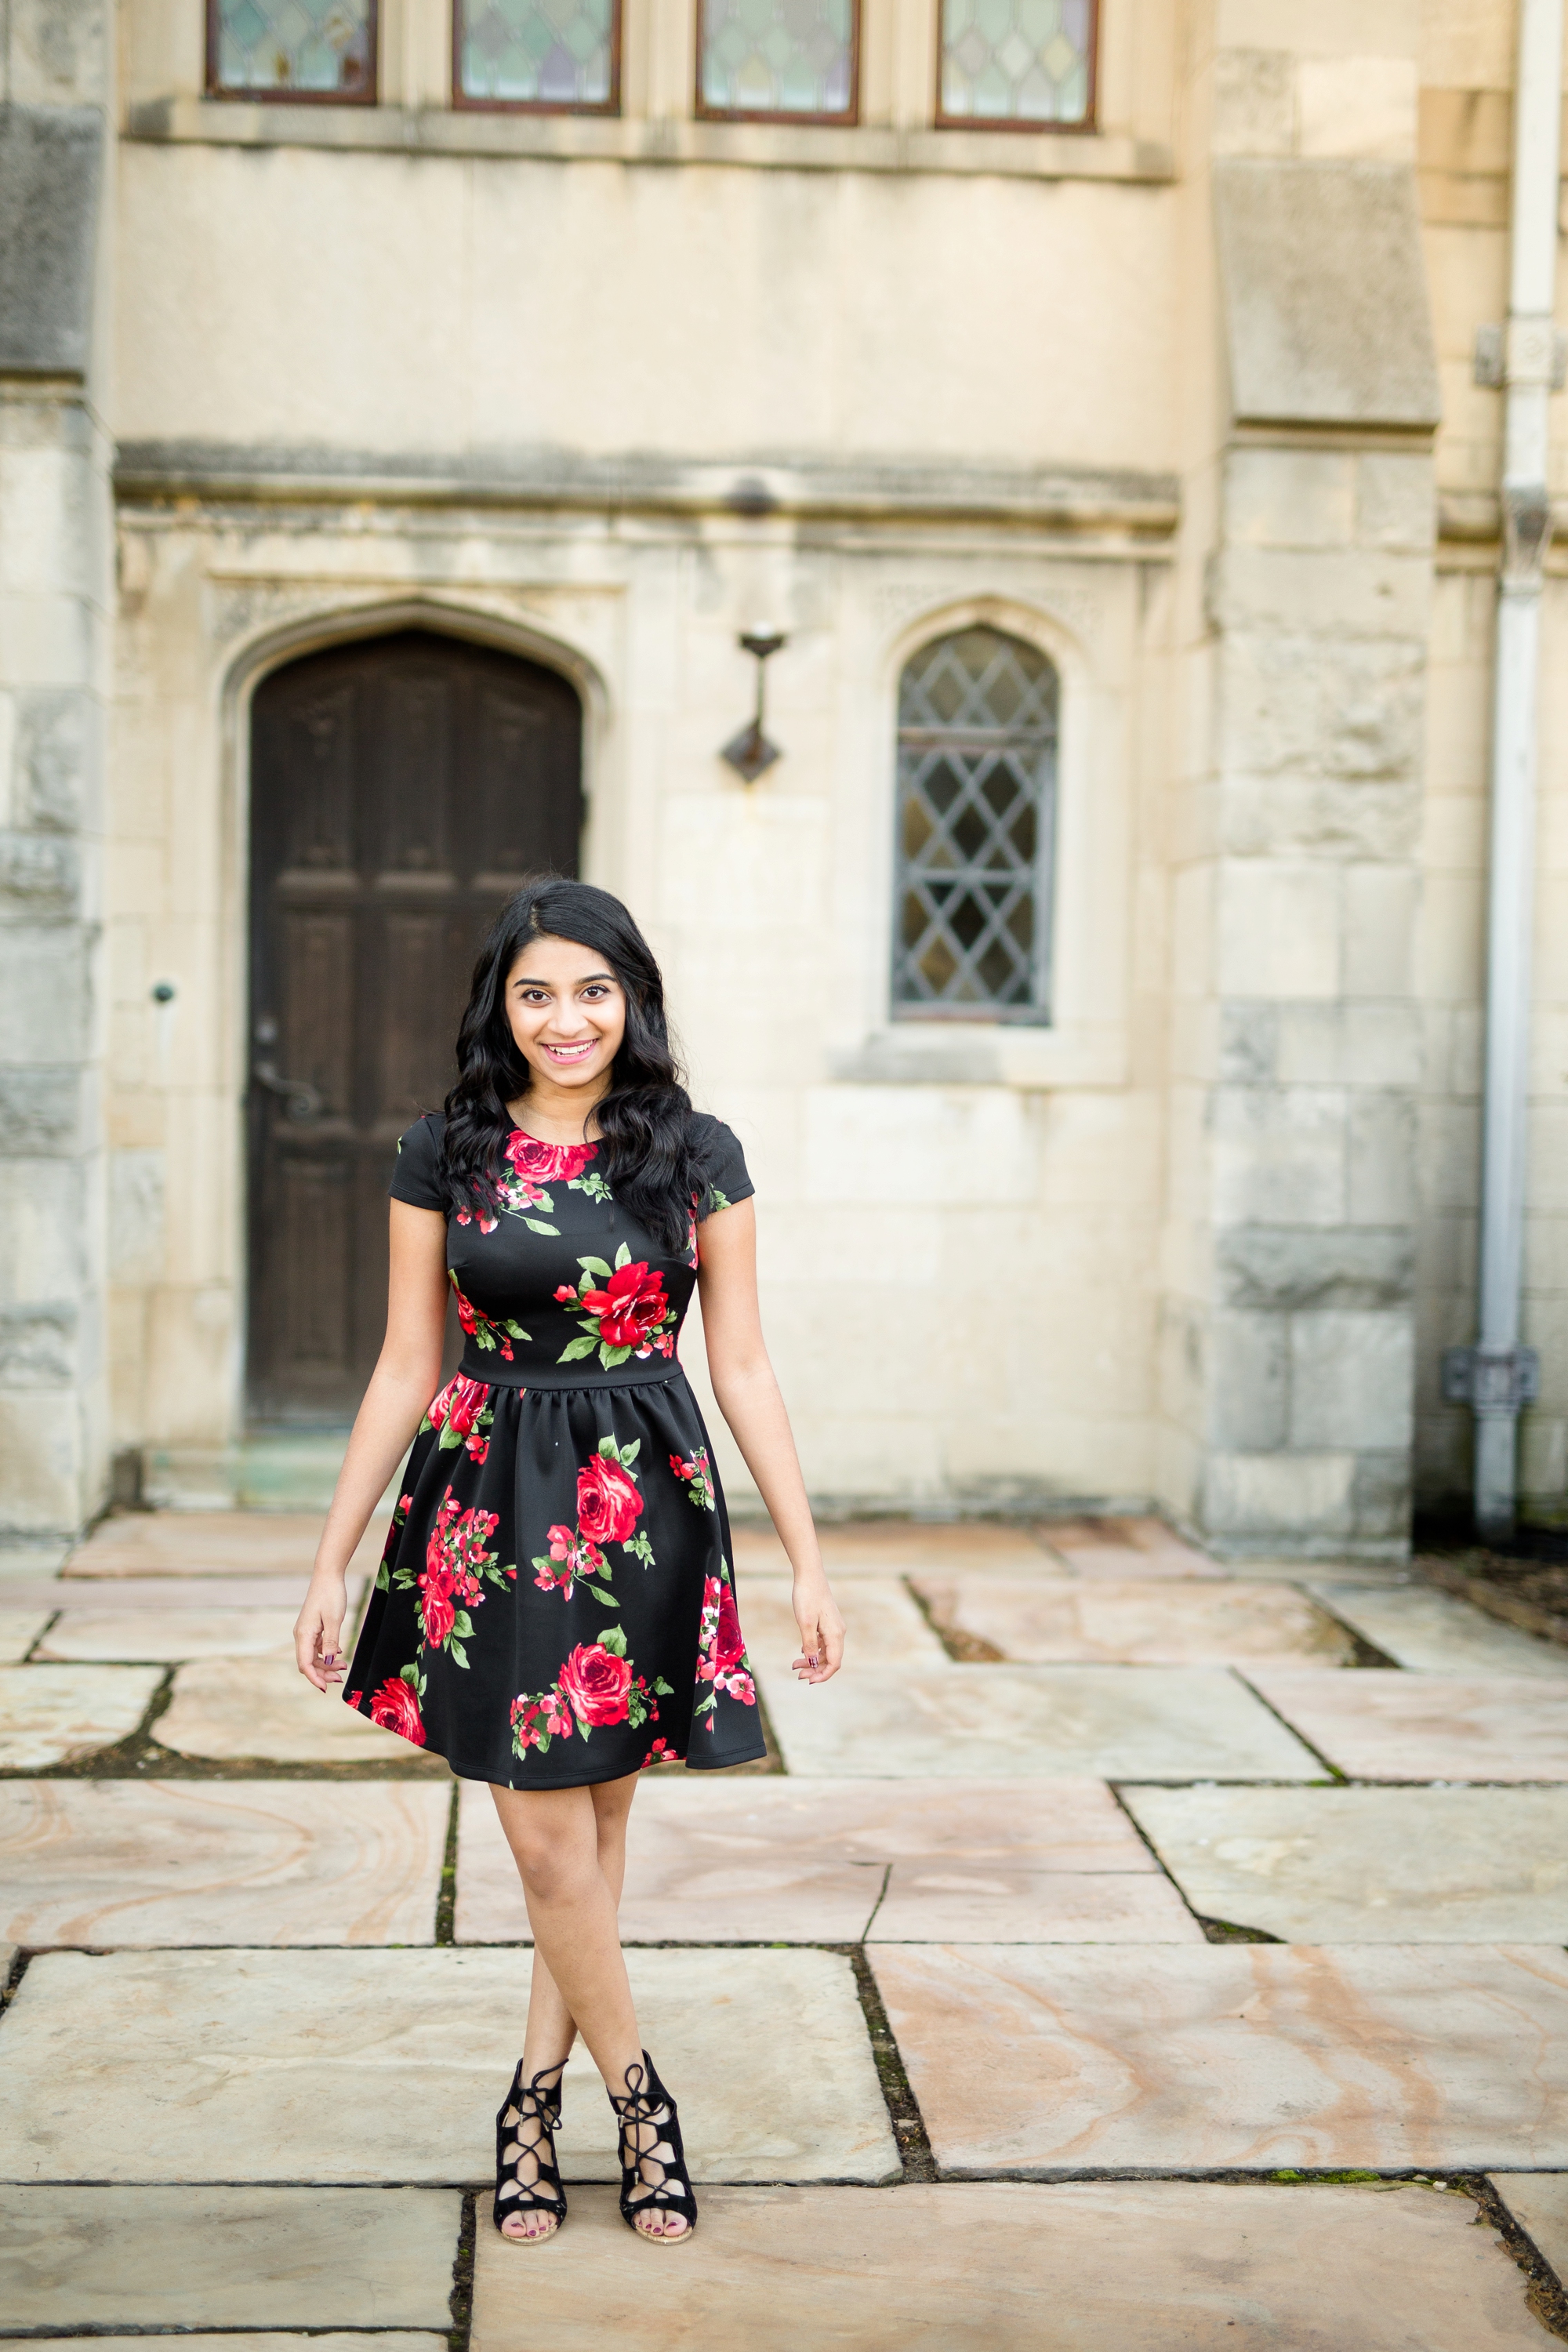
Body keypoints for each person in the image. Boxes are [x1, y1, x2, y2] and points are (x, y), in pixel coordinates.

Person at [292, 877, 844, 2247]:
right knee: (550, 1848)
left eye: (592, 990)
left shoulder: (696, 1151)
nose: (566, 1018)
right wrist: (333, 1559)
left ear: (632, 1000)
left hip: (642, 1505)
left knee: (587, 1842)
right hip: (486, 1508)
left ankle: (532, 2100)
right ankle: (641, 2103)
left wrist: (808, 1562)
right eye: (537, 993)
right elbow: (404, 1363)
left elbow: (747, 1368)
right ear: (503, 1007)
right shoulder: (445, 1150)